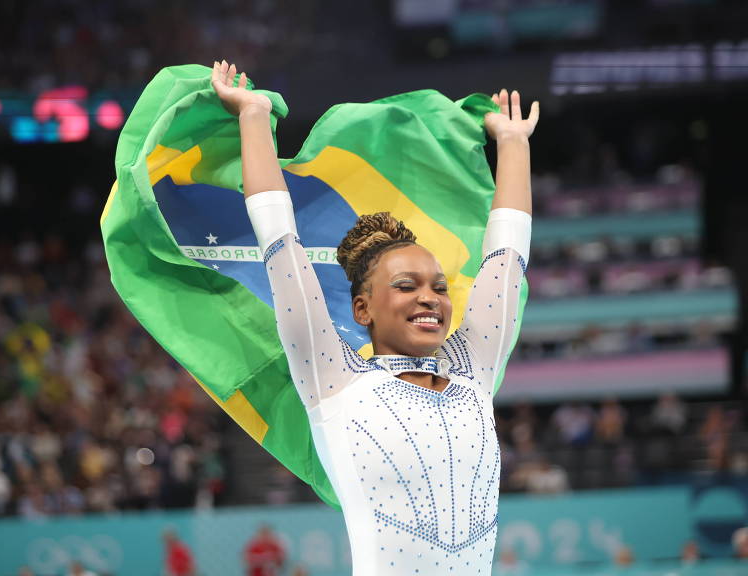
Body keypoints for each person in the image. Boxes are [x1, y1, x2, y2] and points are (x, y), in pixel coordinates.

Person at [212, 59, 538, 575]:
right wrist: (253, 116)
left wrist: (513, 143)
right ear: (362, 308)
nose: (429, 297)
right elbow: (280, 243)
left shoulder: (474, 372)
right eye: (405, 287)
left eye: (436, 286)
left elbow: (507, 259)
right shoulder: (334, 380)